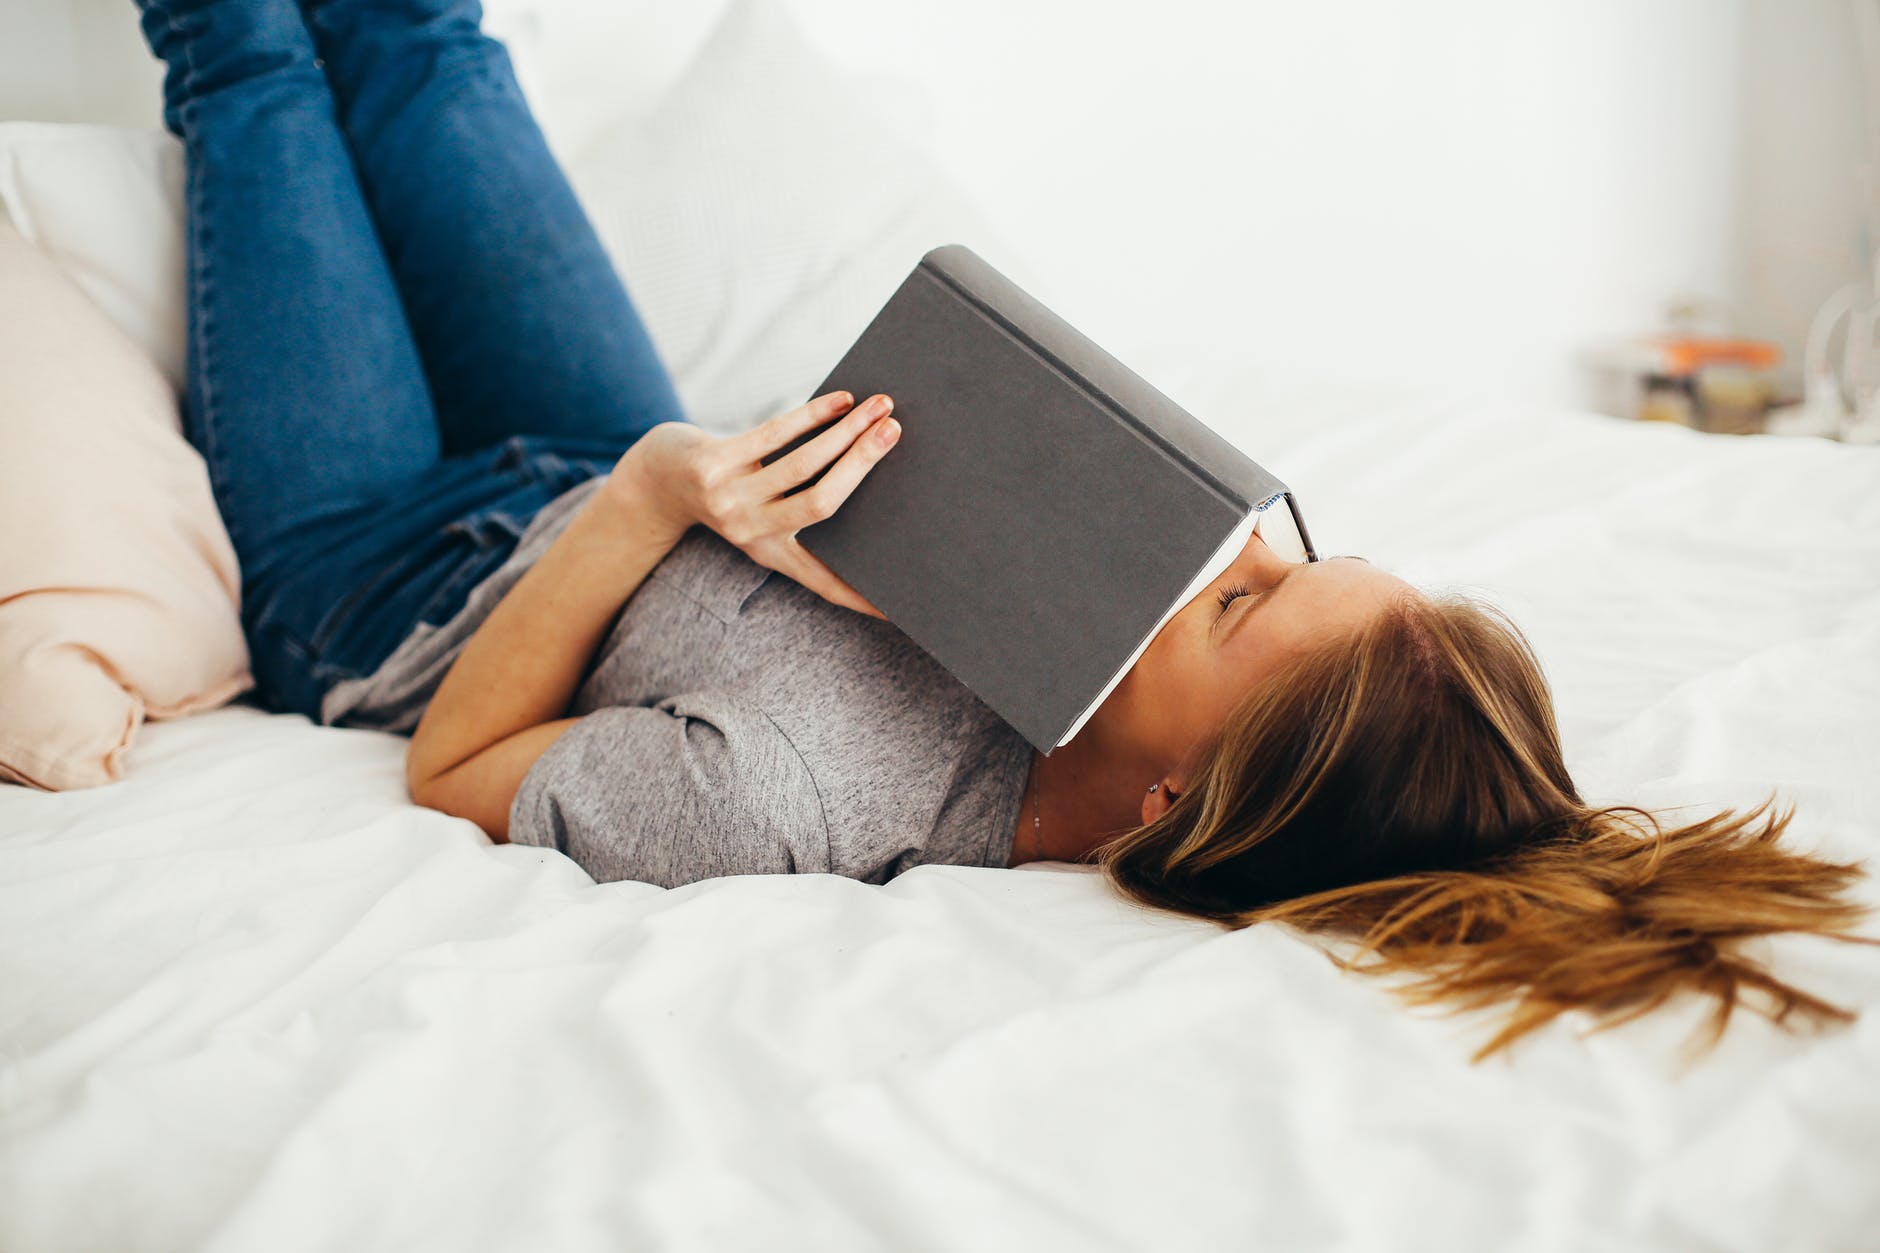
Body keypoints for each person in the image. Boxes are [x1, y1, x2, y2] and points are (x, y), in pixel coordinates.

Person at [137, 0, 1875, 1063]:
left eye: (1241, 602)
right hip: (609, 450)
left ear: (1179, 804)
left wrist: (660, 489)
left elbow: (457, 767)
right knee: (420, 32)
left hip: (395, 578)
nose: (1206, 554)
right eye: (1270, 546)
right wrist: (676, 467)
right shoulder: (1080, 616)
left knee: (257, 55)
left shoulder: (794, 798)